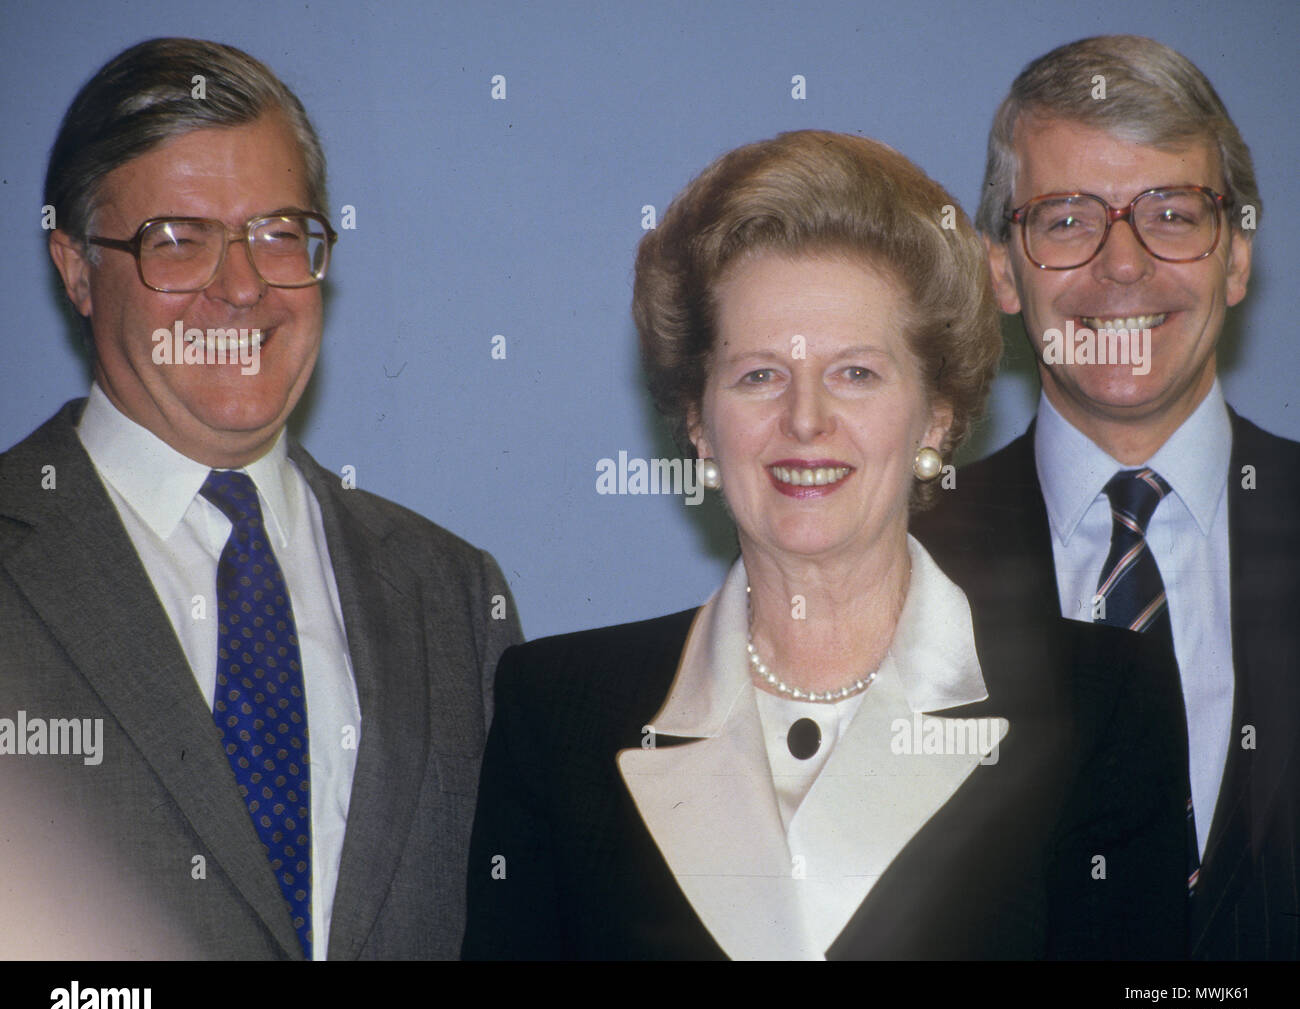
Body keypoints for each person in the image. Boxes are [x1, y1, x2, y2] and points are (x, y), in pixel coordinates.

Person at [463, 130, 1186, 960]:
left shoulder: (1101, 703)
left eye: (856, 373)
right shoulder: (554, 711)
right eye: (759, 374)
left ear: (938, 415)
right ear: (699, 420)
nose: (805, 420)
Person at [0, 37, 521, 960]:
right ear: (76, 268)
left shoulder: (451, 597)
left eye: (279, 232)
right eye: (179, 240)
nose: (242, 286)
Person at [912, 35, 1300, 960]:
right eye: (1065, 219)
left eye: (1171, 212)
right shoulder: (893, 560)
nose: (1123, 265)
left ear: (1237, 257)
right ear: (1000, 269)